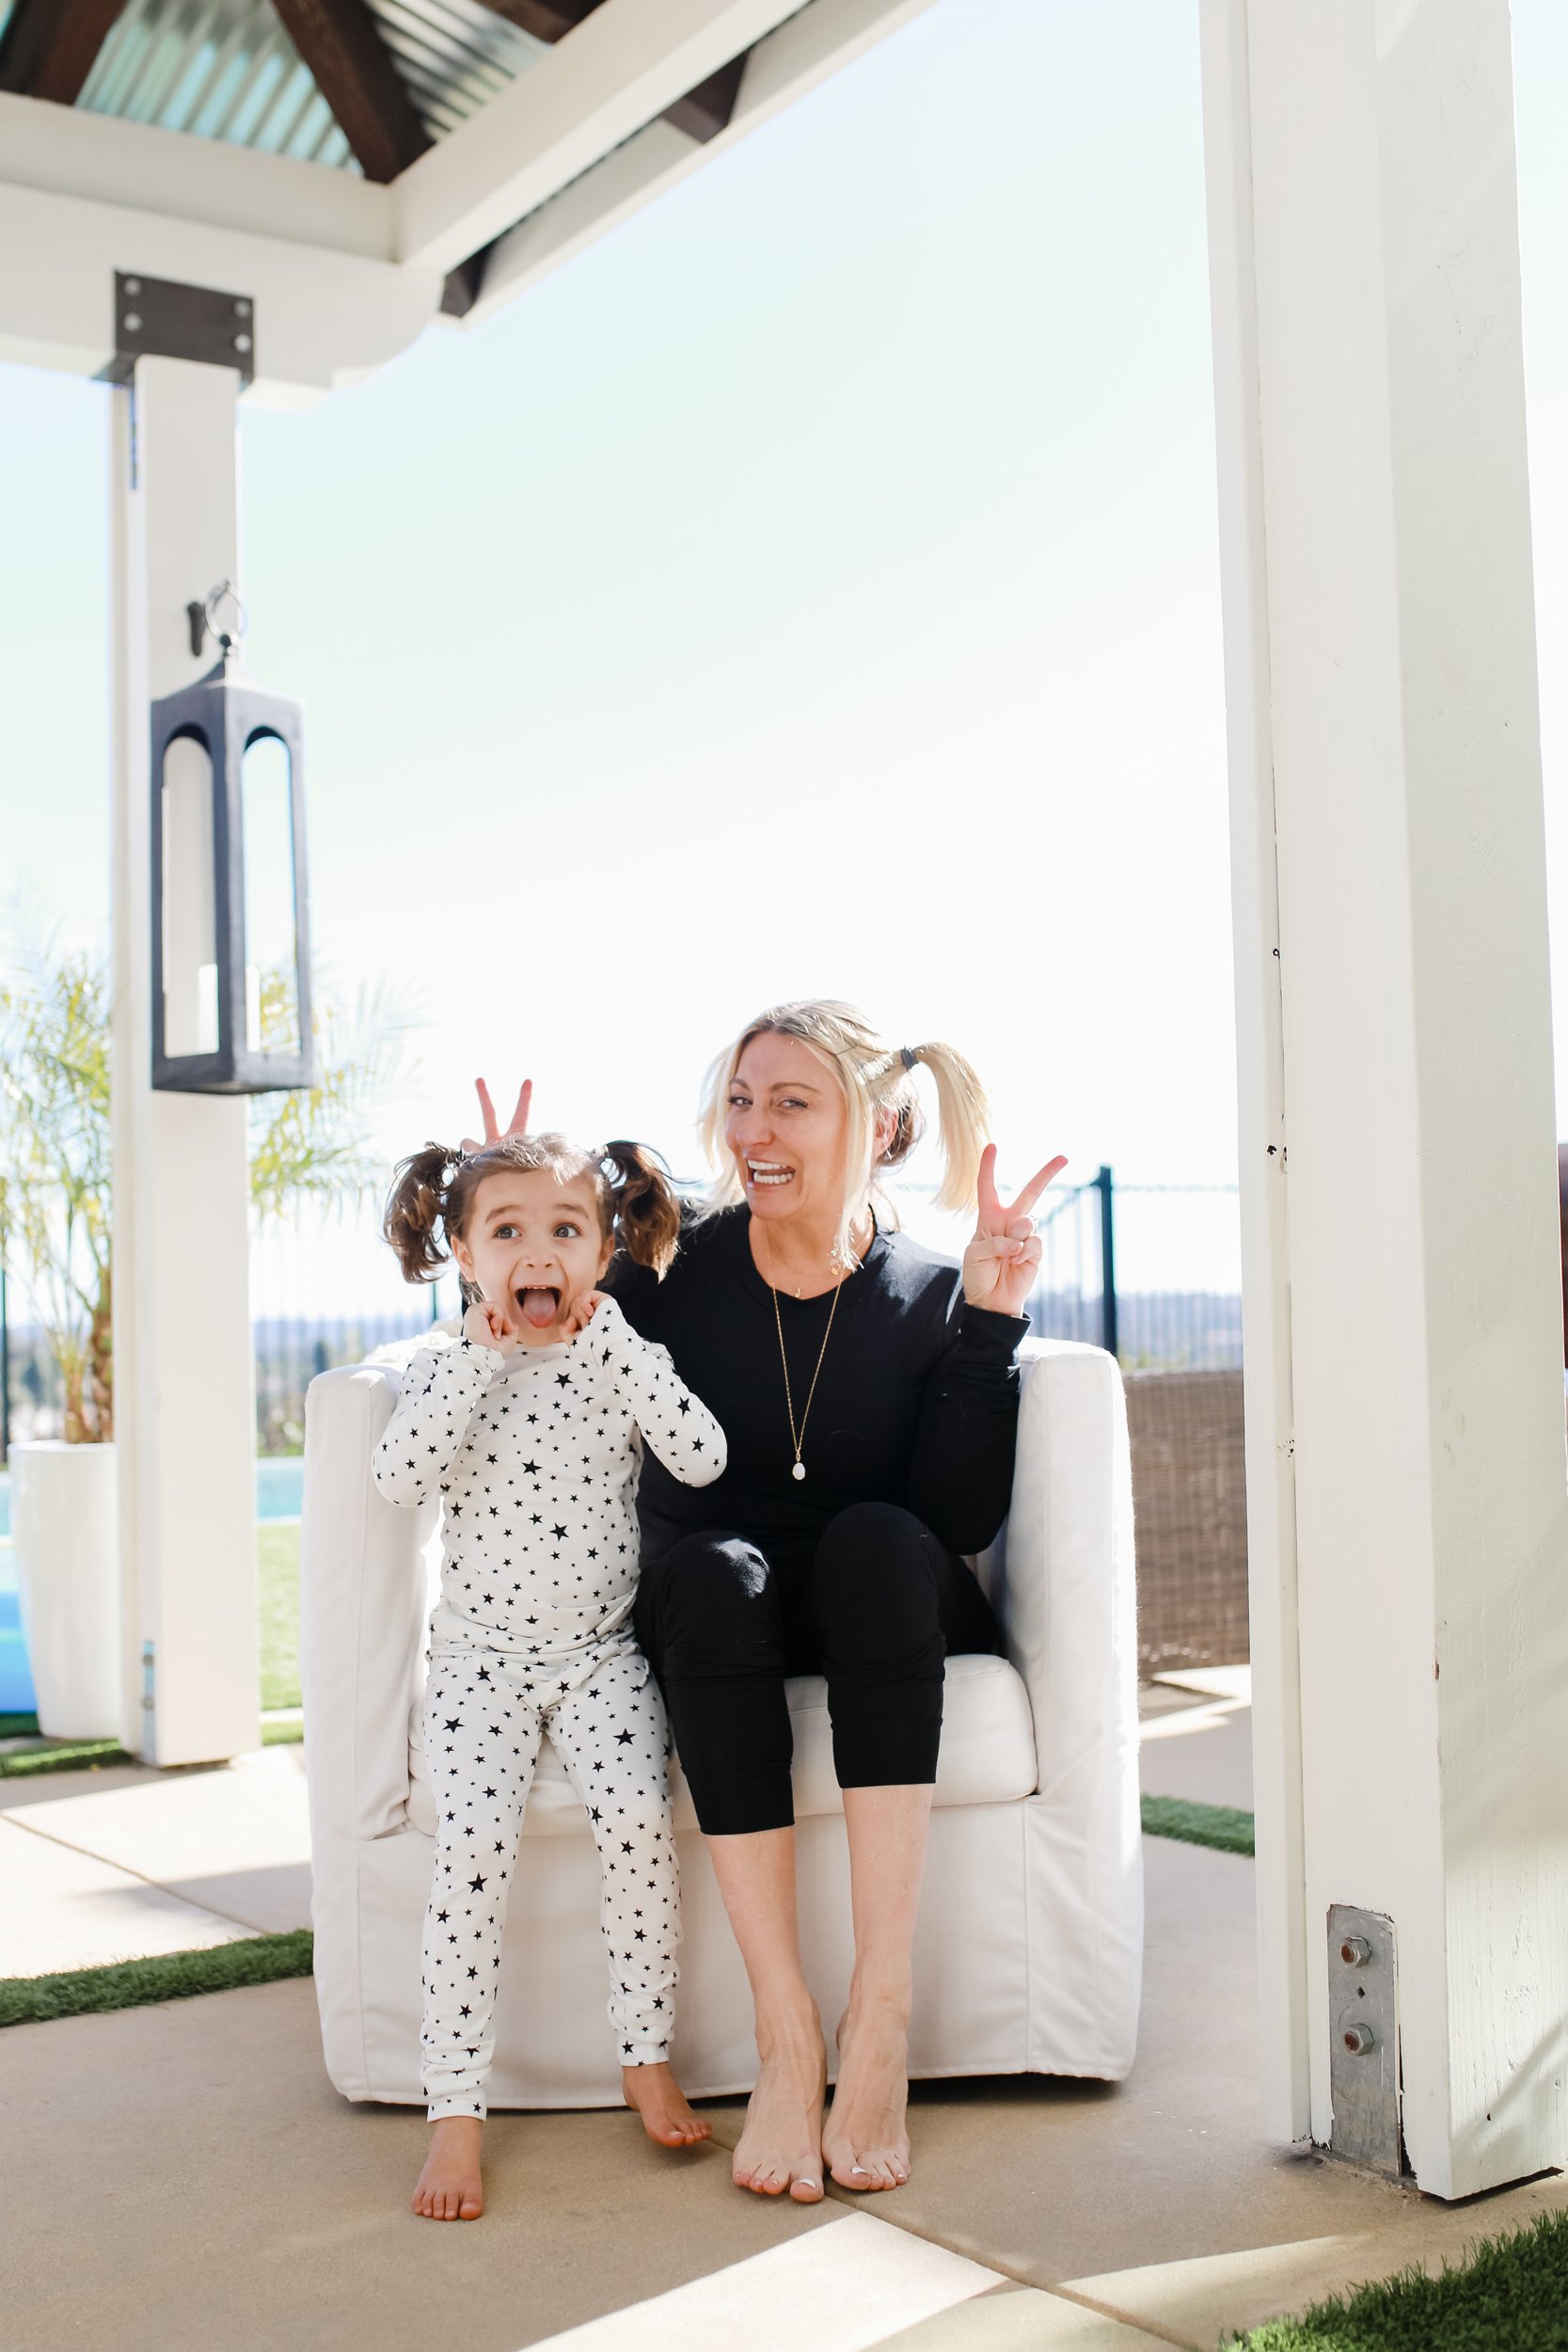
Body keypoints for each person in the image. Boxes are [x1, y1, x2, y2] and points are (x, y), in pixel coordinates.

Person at [468, 1002, 1060, 2202]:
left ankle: (877, 2016)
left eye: (792, 1101)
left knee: (885, 1541)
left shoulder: (930, 1292)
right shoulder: (666, 1274)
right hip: (714, 1618)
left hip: (879, 1609)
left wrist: (991, 1319)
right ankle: (788, 2032)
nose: (756, 1129)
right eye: (742, 1099)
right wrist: (506, 1207)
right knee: (705, 1568)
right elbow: (523, 1332)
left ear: (877, 1125)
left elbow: (959, 1523)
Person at [374, 1131, 726, 2222]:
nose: (539, 1251)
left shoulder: (617, 1353)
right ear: (466, 1253)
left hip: (598, 1656)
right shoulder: (444, 1359)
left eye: (566, 1230)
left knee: (636, 1821)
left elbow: (702, 1456)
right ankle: (455, 2110)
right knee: (471, 1848)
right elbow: (397, 1479)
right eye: (508, 1231)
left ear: (605, 1250)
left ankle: (642, 2053)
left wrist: (620, 1348)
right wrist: (479, 1358)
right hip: (478, 1663)